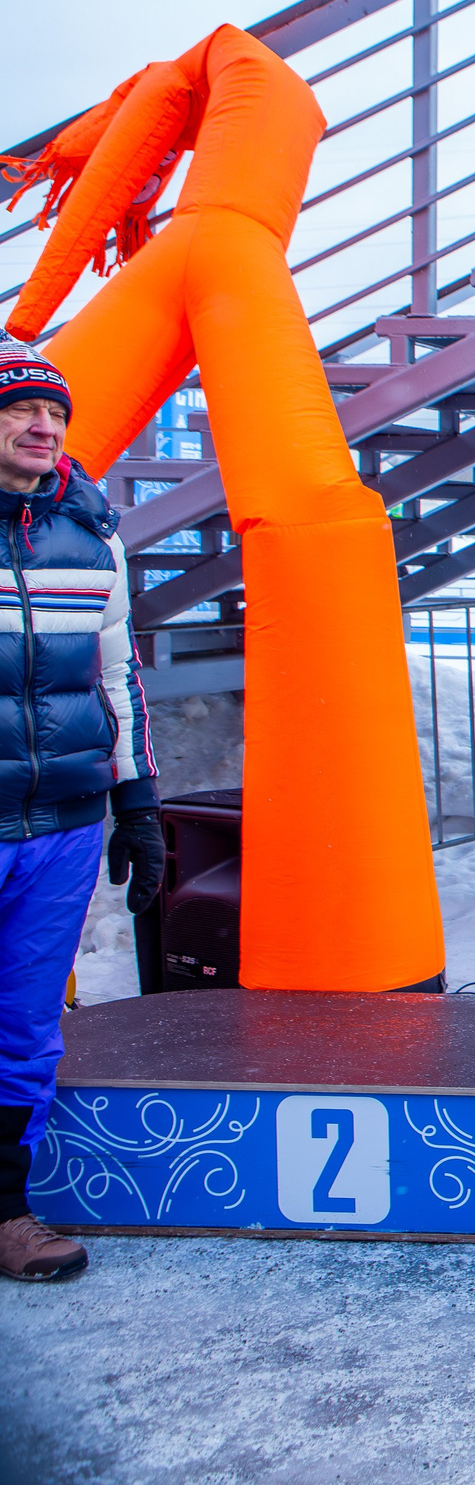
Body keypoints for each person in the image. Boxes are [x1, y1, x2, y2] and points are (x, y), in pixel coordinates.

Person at [0, 354, 163, 1284]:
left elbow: (118, 678)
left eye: (52, 410)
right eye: (19, 407)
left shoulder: (93, 534)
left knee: (25, 1029)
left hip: (60, 825)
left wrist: (136, 803)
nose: (41, 425)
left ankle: (6, 1211)